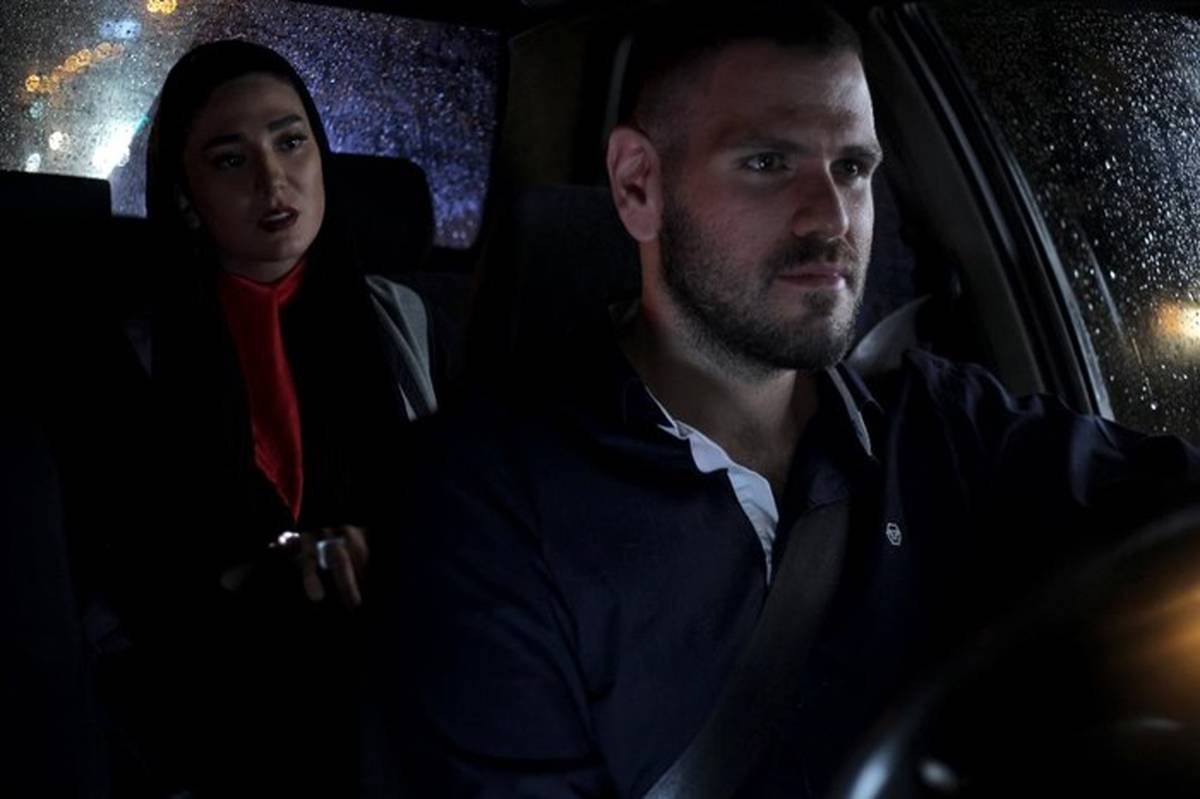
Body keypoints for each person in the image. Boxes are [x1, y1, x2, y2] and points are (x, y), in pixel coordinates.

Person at [364, 4, 1200, 798]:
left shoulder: (946, 427)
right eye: (768, 163)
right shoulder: (483, 499)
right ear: (638, 184)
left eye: (853, 168)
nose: (831, 218)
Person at [124, 39, 439, 796]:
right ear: (186, 196)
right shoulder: (138, 348)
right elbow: (136, 572)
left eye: (291, 143)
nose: (273, 181)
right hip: (216, 703)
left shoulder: (398, 320)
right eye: (231, 160)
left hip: (396, 682)